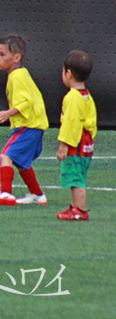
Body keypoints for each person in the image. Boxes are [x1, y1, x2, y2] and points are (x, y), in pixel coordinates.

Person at [0, 35, 48, 207]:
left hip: (28, 125)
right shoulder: (19, 74)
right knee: (22, 163)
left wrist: (8, 113)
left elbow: (26, 101)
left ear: (16, 58)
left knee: (5, 156)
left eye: (2, 55)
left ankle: (6, 193)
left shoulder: (17, 76)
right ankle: (37, 195)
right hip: (35, 126)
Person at [56, 50, 96, 221]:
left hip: (76, 145)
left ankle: (80, 210)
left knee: (76, 179)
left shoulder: (72, 97)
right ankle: (74, 207)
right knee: (78, 175)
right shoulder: (86, 95)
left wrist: (64, 144)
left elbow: (71, 122)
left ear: (69, 73)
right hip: (86, 142)